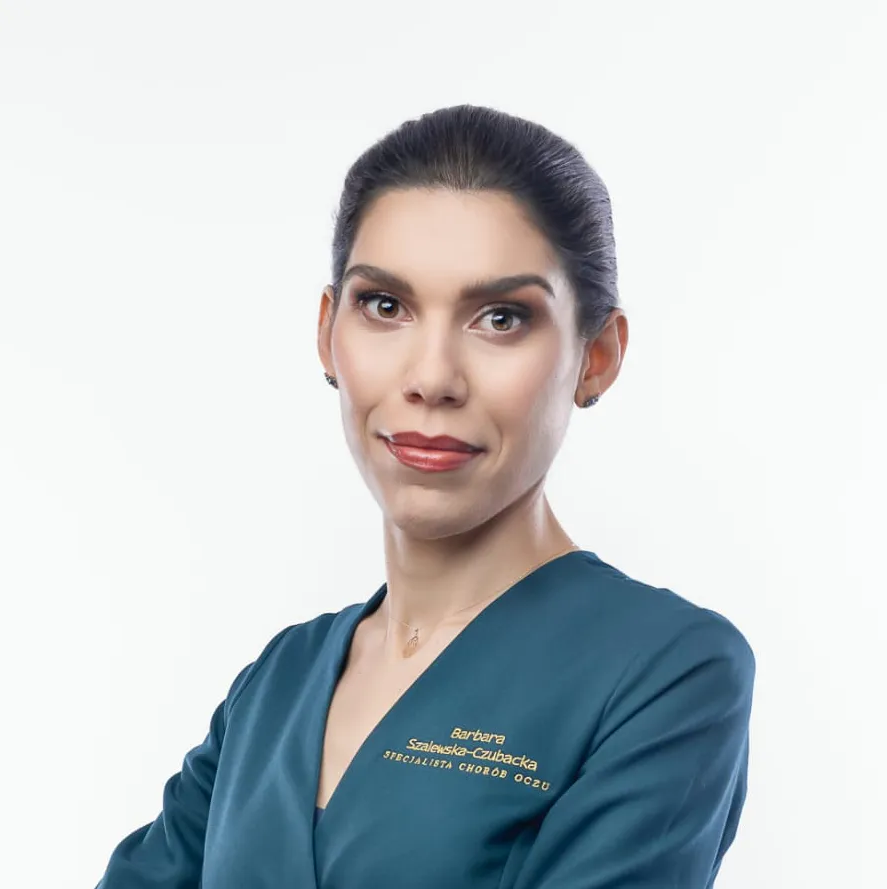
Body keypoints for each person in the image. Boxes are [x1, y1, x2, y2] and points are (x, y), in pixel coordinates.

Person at [95, 104, 755, 889]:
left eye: (500, 318)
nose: (431, 377)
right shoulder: (278, 682)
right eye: (385, 306)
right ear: (327, 333)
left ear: (597, 356)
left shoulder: (664, 672)